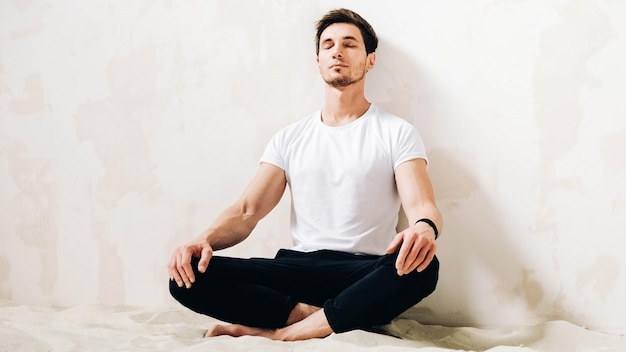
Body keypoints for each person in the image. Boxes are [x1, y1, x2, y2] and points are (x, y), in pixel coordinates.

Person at [168, 8, 442, 341]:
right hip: (297, 267)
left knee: (423, 267)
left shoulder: (397, 132)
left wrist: (425, 230)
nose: (337, 51)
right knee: (187, 274)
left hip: (361, 271)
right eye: (328, 45)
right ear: (318, 61)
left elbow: (422, 206)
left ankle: (279, 334)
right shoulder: (290, 138)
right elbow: (246, 211)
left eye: (349, 44)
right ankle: (324, 317)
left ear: (370, 60)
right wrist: (202, 240)